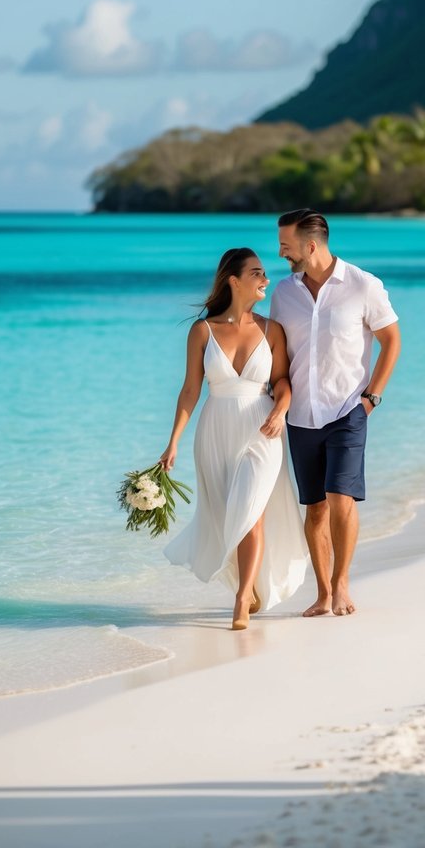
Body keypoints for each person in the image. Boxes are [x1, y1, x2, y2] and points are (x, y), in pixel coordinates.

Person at [160, 248, 308, 630]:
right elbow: (191, 390)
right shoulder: (203, 331)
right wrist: (173, 441)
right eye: (257, 273)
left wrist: (280, 411)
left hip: (262, 427)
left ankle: (243, 598)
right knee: (231, 514)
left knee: (250, 510)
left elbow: (282, 382)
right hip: (215, 432)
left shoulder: (271, 329)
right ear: (234, 280)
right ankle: (248, 586)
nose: (266, 280)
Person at [271, 209, 401, 618]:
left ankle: (343, 583)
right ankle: (323, 592)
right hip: (300, 415)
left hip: (348, 410)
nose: (280, 252)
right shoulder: (283, 293)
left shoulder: (363, 285)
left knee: (341, 497)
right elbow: (275, 353)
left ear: (310, 245)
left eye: (286, 245)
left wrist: (372, 398)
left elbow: (391, 340)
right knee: (315, 507)